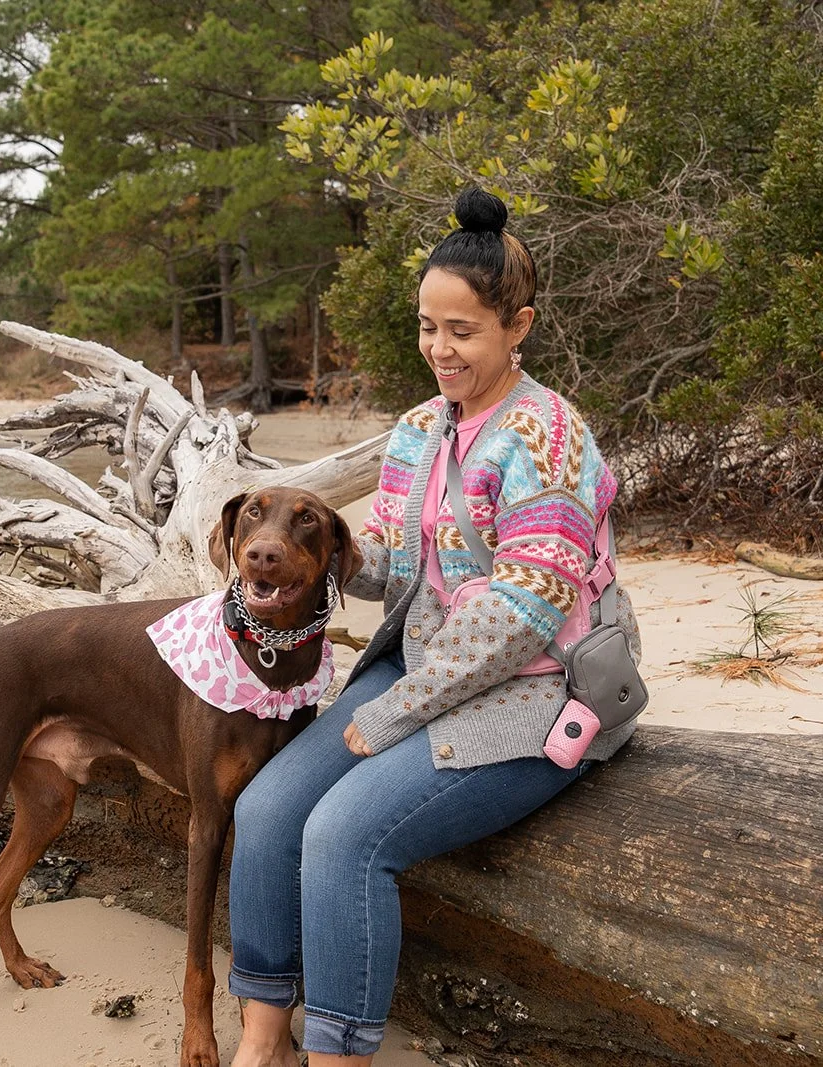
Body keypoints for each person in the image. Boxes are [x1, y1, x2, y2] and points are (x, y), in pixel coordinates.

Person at [227, 187, 642, 1067]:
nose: (439, 349)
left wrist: (391, 712)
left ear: (516, 325)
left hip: (536, 694)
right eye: (427, 327)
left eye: (462, 330)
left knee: (343, 837)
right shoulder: (417, 430)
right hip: (425, 672)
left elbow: (522, 613)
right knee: (266, 808)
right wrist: (317, 555)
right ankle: (260, 1042)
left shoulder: (549, 433)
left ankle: (337, 1056)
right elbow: (395, 564)